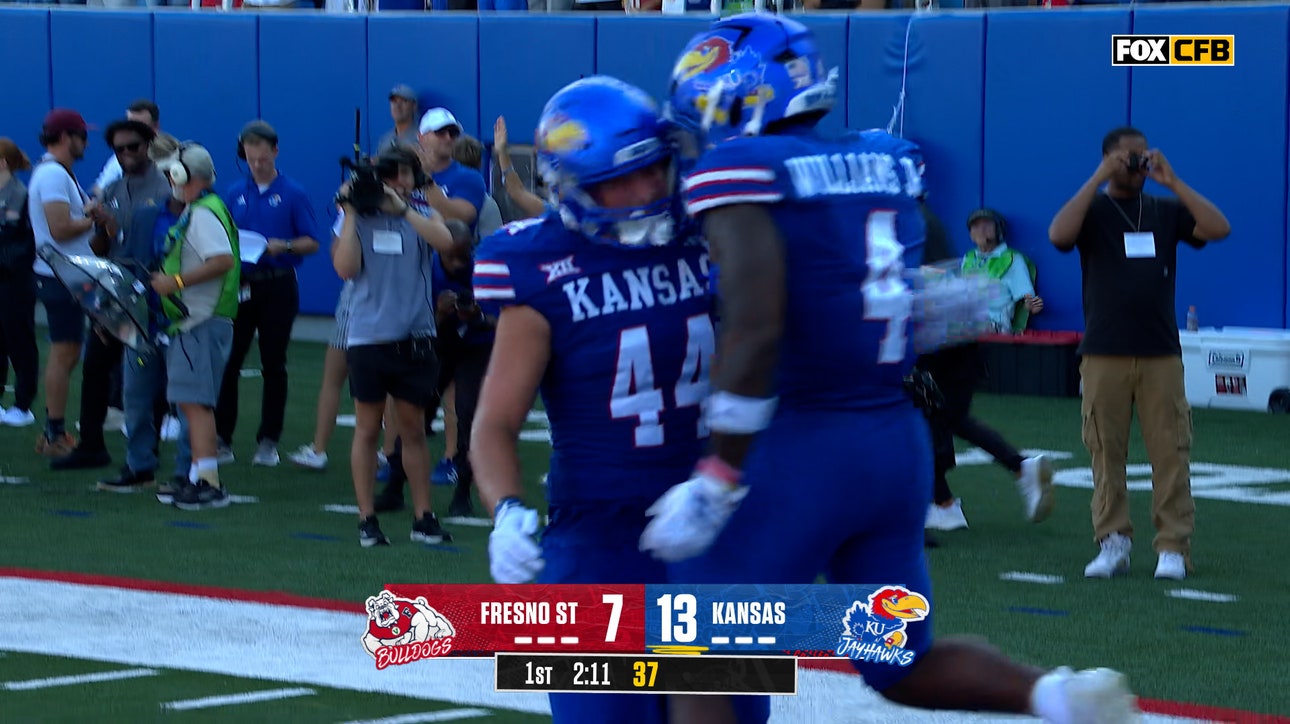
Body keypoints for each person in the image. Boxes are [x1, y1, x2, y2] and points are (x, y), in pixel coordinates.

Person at [638, 14, 1140, 724]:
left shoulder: (744, 170)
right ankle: (1054, 694)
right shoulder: (884, 161)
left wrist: (718, 476)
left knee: (694, 643)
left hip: (799, 444)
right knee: (898, 659)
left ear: (738, 94)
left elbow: (755, 328)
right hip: (890, 442)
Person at [469, 76, 766, 724]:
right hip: (598, 532)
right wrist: (508, 510)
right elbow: (494, 423)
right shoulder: (537, 264)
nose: (644, 193)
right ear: (568, 185)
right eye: (617, 181)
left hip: (712, 512)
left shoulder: (710, 229)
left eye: (653, 171)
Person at [1048, 126, 1230, 581]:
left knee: (1170, 451)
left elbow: (1217, 228)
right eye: (1128, 157)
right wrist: (1097, 177)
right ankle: (1113, 542)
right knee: (1105, 452)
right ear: (1109, 158)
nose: (1138, 164)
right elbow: (1058, 236)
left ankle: (1172, 546)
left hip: (1159, 352)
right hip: (1104, 352)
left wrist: (1173, 180)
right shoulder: (1092, 211)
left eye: (1142, 155)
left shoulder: (1165, 210)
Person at [332, 145, 455, 548]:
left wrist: (403, 209)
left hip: (415, 337)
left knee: (414, 430)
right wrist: (350, 213)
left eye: (407, 174)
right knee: (368, 430)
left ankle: (424, 517)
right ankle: (367, 518)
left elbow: (446, 242)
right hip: (368, 337)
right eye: (394, 174)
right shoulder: (358, 216)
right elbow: (345, 268)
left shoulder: (419, 211)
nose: (401, 182)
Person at [151, 143, 240, 510]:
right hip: (197, 319)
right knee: (191, 402)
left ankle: (208, 482)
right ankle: (197, 477)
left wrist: (177, 283)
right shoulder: (203, 209)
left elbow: (221, 260)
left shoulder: (203, 213)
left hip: (200, 318)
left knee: (196, 404)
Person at [0, 138, 39, 428]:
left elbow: (22, 241)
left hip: (14, 280)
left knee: (18, 339)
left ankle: (23, 404)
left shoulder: (19, 194)